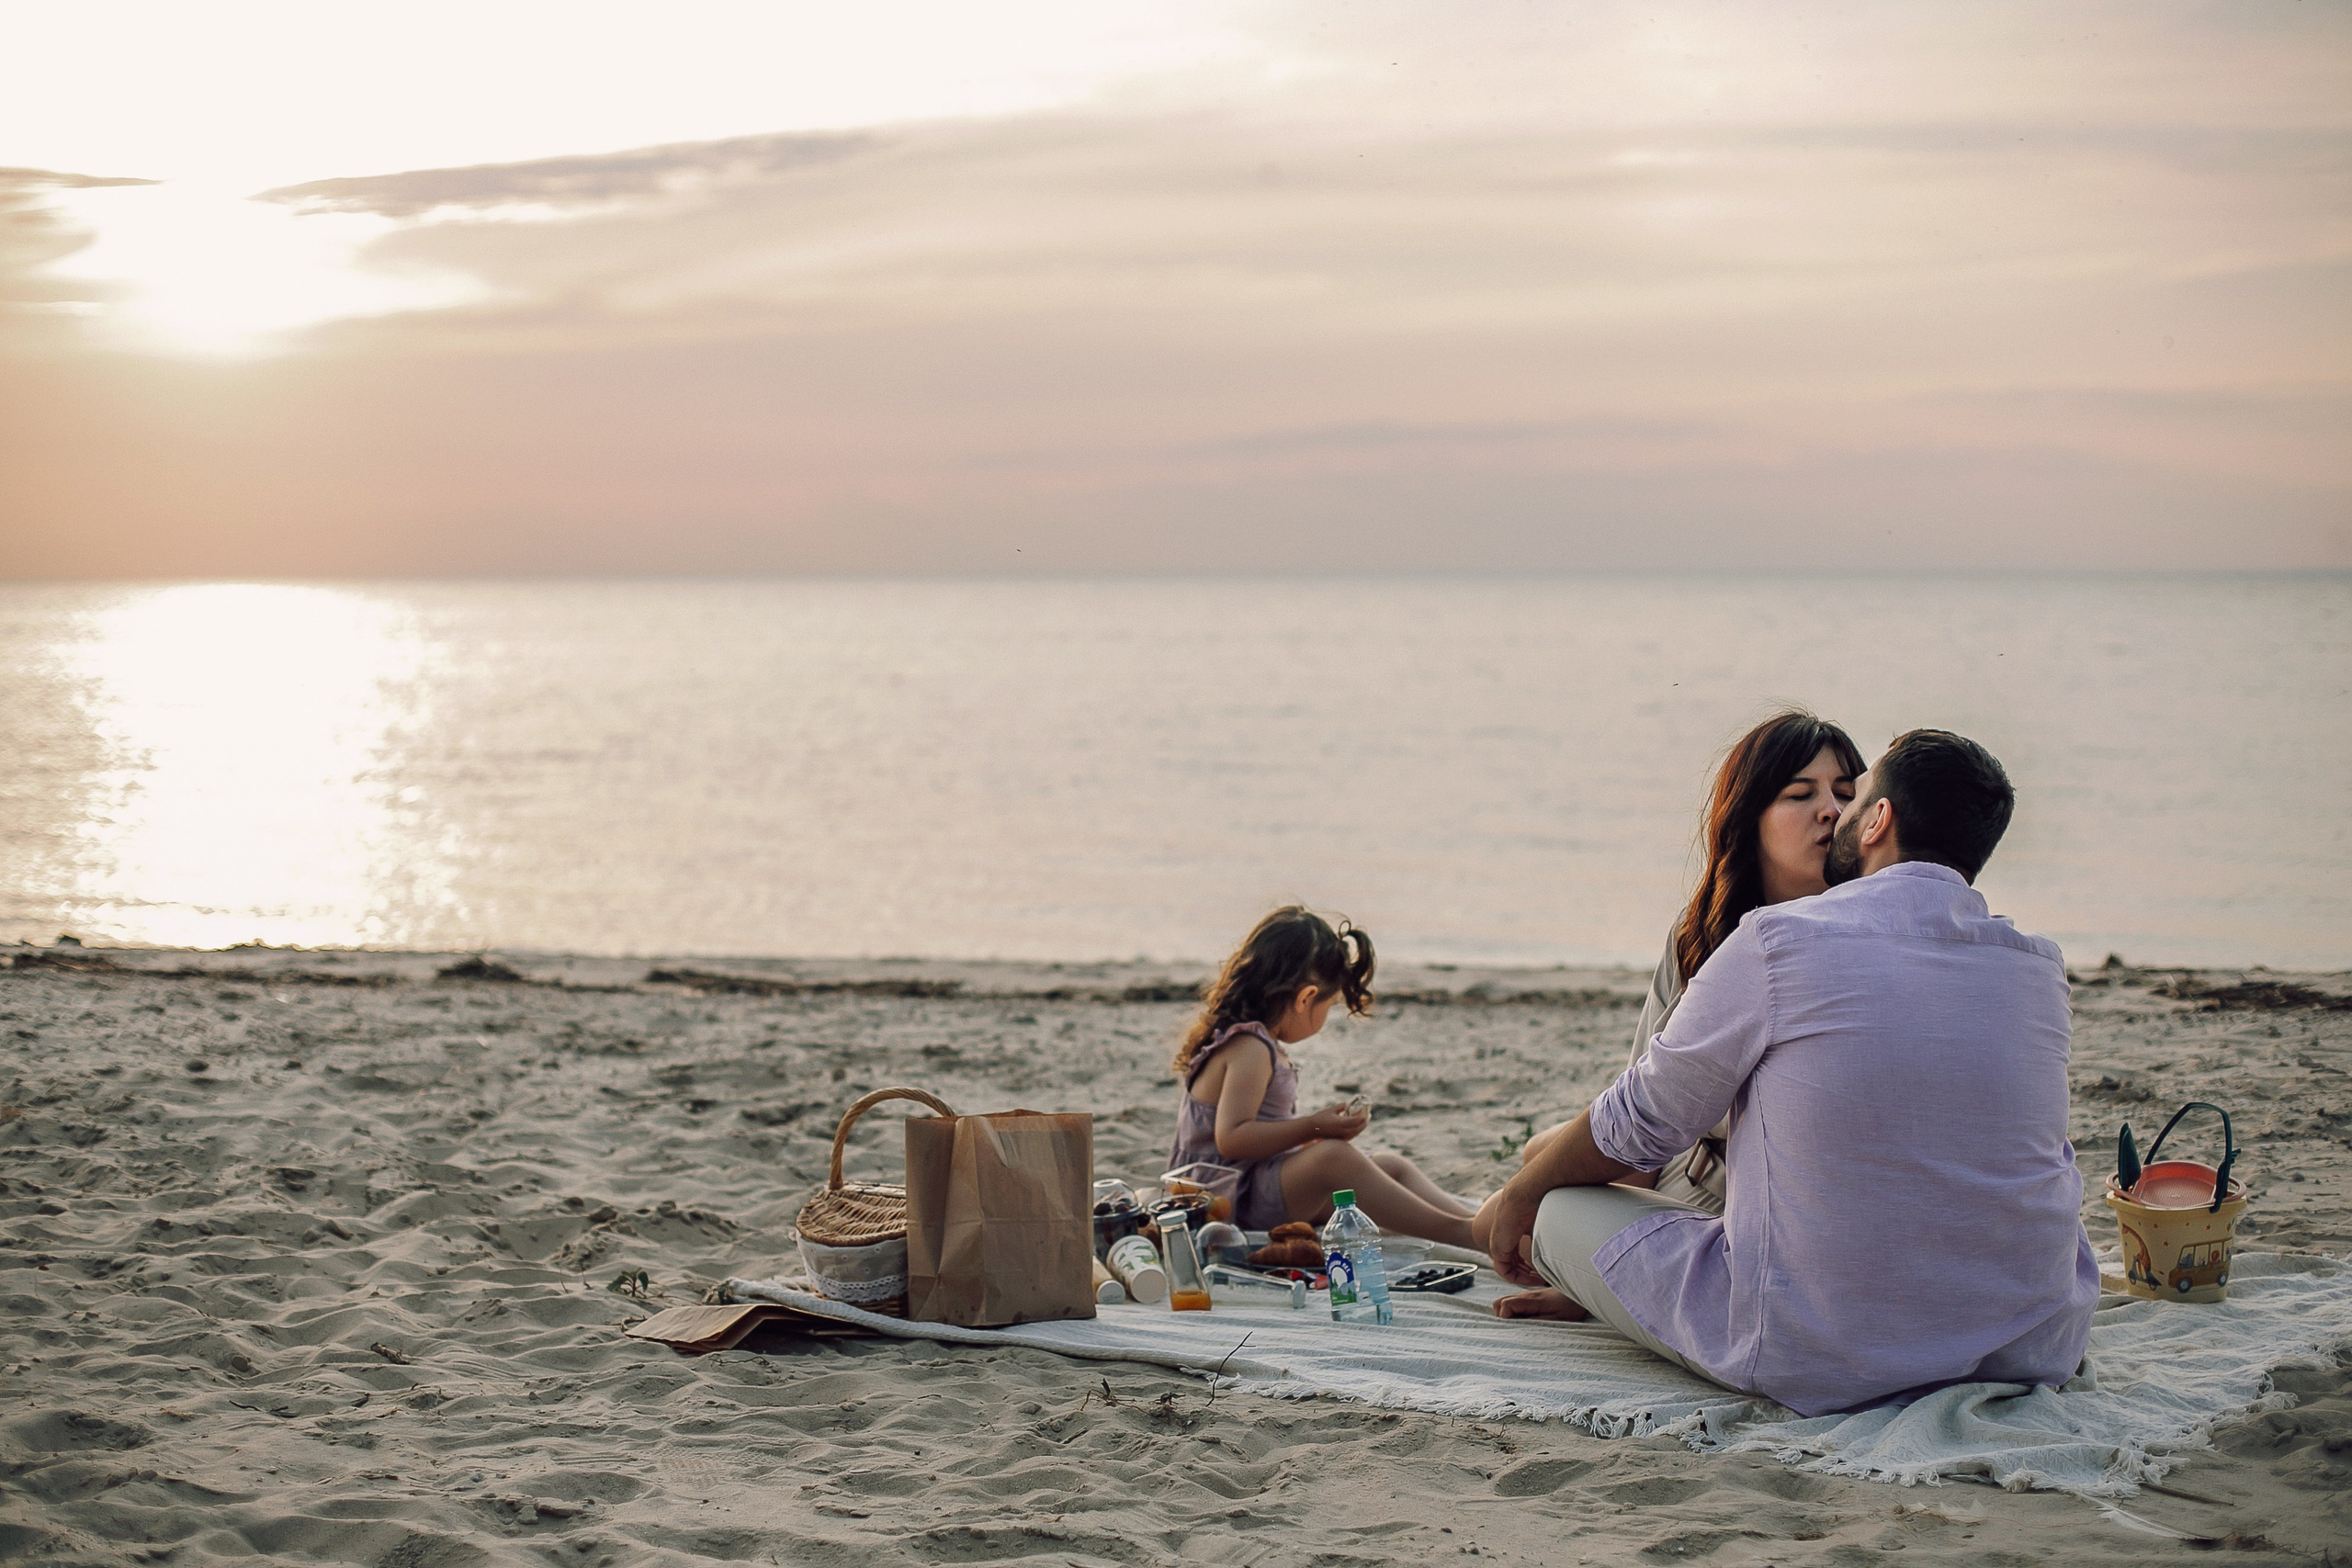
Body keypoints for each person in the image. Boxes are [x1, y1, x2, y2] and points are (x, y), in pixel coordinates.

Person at [1476, 729, 2098, 1416]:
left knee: (1556, 1204)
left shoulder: (1779, 940)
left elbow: (1640, 1123)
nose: (1836, 812)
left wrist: (1525, 1190)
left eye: (1853, 794)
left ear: (1881, 819)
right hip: (2034, 1341)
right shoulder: (2037, 965)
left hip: (1827, 1352)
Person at [1515, 709, 1865, 1226]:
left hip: (1762, 1204)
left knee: (1539, 1205)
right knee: (1540, 1158)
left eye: (1845, 793)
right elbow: (1641, 1100)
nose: (1830, 811)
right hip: (1688, 1164)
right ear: (1749, 816)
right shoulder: (1701, 930)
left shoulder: (1868, 933)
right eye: (1800, 794)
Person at [1169, 906, 1479, 1247]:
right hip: (1226, 1201)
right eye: (1330, 1007)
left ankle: (1474, 1223)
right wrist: (1314, 1127)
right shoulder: (1250, 1048)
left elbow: (1256, 1130)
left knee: (1390, 1166)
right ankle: (1463, 1234)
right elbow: (1232, 1139)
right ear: (1305, 998)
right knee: (1334, 1158)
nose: (1327, 1017)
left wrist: (1304, 1139)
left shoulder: (1251, 1040)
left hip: (1249, 1182)